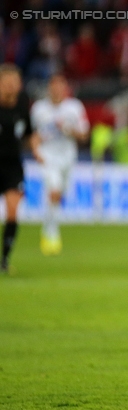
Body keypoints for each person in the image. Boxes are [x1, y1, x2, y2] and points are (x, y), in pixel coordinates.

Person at [31, 74, 90, 255]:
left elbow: (84, 135)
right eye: (53, 86)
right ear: (49, 88)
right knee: (54, 191)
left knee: (60, 194)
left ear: (65, 89)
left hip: (67, 157)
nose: (57, 90)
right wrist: (35, 151)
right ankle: (52, 233)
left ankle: (48, 225)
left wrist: (69, 130)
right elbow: (34, 134)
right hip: (48, 156)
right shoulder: (39, 109)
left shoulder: (74, 107)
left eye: (60, 86)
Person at [0, 63, 41, 273]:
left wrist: (36, 149)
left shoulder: (22, 103)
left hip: (13, 165)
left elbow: (29, 132)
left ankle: (4, 260)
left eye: (15, 82)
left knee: (13, 212)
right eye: (7, 83)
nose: (11, 86)